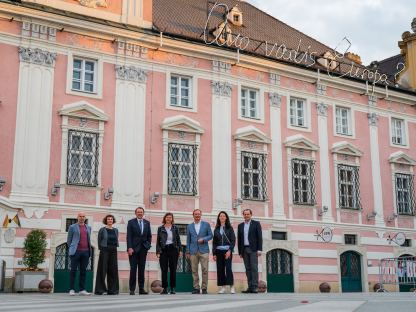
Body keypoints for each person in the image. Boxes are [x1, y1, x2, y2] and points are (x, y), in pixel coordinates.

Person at [186, 209, 213, 294]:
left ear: (201, 215)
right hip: (193, 251)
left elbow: (210, 235)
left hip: (204, 250)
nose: (197, 216)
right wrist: (187, 251)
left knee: (205, 270)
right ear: (193, 215)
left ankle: (204, 288)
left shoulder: (206, 224)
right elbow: (188, 240)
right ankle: (196, 288)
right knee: (194, 270)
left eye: (198, 214)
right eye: (195, 214)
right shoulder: (189, 226)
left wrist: (204, 239)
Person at [127, 207, 152, 295]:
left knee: (142, 269)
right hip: (133, 249)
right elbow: (129, 236)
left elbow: (149, 236)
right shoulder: (131, 222)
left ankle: (141, 289)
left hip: (143, 249)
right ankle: (132, 289)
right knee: (133, 270)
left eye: (141, 212)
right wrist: (129, 247)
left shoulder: (147, 223)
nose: (140, 213)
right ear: (135, 213)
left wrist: (148, 246)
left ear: (143, 213)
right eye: (138, 212)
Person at [237, 209, 262, 294]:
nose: (246, 215)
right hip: (244, 249)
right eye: (245, 214)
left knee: (254, 268)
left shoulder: (256, 224)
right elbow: (239, 239)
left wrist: (259, 249)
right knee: (247, 269)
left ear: (251, 215)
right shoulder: (240, 225)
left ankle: (255, 287)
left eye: (248, 214)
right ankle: (250, 287)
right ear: (243, 215)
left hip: (254, 249)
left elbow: (259, 237)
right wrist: (240, 252)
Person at [156, 212, 182, 294]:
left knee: (173, 269)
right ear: (165, 218)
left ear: (172, 219)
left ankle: (173, 288)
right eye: (167, 217)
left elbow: (178, 240)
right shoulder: (160, 228)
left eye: (170, 217)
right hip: (163, 250)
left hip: (173, 249)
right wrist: (158, 251)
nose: (168, 219)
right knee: (164, 270)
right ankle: (164, 288)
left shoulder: (175, 228)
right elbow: (158, 241)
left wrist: (180, 250)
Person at [67, 212, 92, 296]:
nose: (82, 218)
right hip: (75, 252)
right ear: (77, 217)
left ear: (85, 218)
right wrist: (72, 249)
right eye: (80, 216)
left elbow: (88, 239)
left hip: (86, 252)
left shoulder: (88, 227)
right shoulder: (72, 227)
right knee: (73, 271)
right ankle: (71, 289)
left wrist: (88, 251)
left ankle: (82, 289)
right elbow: (69, 240)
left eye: (83, 216)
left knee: (83, 271)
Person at [94, 214, 119, 295]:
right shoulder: (102, 229)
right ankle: (100, 290)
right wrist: (102, 249)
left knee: (113, 270)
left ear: (113, 221)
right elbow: (99, 241)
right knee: (102, 269)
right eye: (108, 219)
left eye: (111, 219)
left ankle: (113, 290)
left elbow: (116, 240)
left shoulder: (116, 230)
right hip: (104, 250)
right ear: (106, 220)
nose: (110, 220)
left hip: (113, 250)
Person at [213, 211, 236, 294]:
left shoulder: (230, 228)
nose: (222, 217)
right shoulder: (216, 229)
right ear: (219, 218)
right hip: (218, 251)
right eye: (220, 216)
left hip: (227, 251)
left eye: (223, 216)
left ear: (226, 218)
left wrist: (230, 250)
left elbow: (233, 240)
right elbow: (214, 242)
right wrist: (214, 253)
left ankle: (232, 286)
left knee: (228, 268)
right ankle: (222, 287)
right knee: (220, 269)